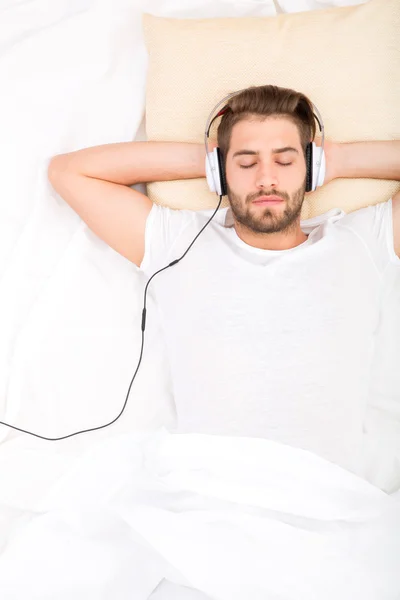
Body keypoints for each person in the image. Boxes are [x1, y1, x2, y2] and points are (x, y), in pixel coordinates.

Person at [47, 84, 400, 476]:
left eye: (285, 161)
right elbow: (68, 172)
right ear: (221, 171)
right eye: (246, 164)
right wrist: (208, 161)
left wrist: (338, 159)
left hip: (336, 505)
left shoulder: (363, 240)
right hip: (210, 498)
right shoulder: (179, 243)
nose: (266, 179)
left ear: (310, 166)